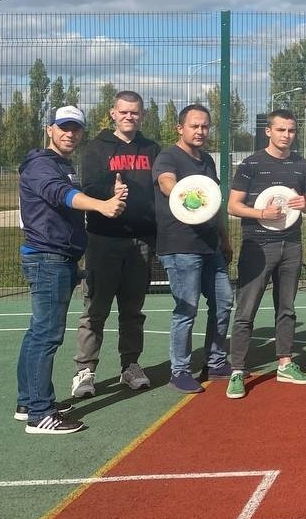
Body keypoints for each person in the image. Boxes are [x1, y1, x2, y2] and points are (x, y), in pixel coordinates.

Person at [16, 106, 126, 434]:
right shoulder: (41, 165)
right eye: (63, 127)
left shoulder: (61, 164)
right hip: (48, 257)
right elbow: (60, 195)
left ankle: (28, 402)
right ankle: (40, 413)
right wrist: (103, 206)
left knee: (38, 332)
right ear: (49, 128)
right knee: (47, 335)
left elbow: (69, 194)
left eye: (75, 128)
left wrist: (108, 196)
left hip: (54, 257)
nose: (70, 134)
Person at [71, 90, 159, 399]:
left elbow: (161, 190)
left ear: (142, 115)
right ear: (113, 113)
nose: (129, 116)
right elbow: (89, 186)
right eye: (123, 111)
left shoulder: (152, 149)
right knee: (95, 310)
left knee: (132, 311)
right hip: (103, 240)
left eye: (134, 112)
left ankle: (130, 366)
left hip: (142, 241)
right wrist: (112, 189)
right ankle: (85, 370)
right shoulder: (96, 148)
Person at [223, 109, 306, 399]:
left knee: (286, 307)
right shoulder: (251, 164)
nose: (286, 135)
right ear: (268, 131)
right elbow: (233, 206)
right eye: (281, 130)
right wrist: (262, 212)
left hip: (292, 244)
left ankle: (285, 363)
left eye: (291, 130)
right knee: (246, 310)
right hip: (257, 246)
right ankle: (237, 370)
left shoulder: (302, 165)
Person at [153, 104, 234, 393]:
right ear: (180, 128)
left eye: (205, 126)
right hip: (181, 246)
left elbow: (214, 206)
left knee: (223, 302)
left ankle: (215, 361)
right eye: (194, 126)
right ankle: (180, 371)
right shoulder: (168, 157)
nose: (200, 131)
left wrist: (224, 239)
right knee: (186, 310)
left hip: (211, 246)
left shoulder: (207, 162)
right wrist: (178, 192)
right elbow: (166, 183)